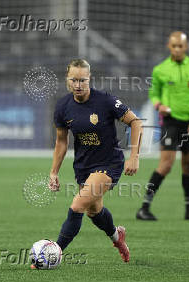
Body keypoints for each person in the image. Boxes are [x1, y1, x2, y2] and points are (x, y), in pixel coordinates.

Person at [38, 59, 142, 267]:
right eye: (73, 80)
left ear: (89, 79)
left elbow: (135, 121)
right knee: (93, 212)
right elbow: (61, 142)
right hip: (83, 166)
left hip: (109, 164)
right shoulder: (63, 107)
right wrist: (53, 172)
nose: (78, 85)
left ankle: (54, 253)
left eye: (82, 80)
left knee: (77, 205)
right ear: (67, 79)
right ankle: (117, 237)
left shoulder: (105, 101)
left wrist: (134, 156)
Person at [136, 31, 189, 221]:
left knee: (188, 166)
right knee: (166, 164)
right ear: (169, 47)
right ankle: (144, 208)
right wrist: (158, 105)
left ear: (186, 47)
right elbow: (153, 93)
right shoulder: (160, 69)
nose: (177, 49)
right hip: (170, 121)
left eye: (181, 46)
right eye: (174, 46)